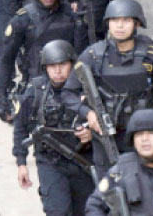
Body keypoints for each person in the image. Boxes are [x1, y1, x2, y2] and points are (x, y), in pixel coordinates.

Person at [62, 0, 153, 179]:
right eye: (115, 20)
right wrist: (88, 113)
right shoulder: (92, 56)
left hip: (144, 136)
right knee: (111, 195)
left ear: (137, 24)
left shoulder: (152, 56)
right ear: (107, 23)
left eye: (126, 20)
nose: (120, 26)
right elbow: (68, 93)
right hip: (105, 139)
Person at [0, 0, 87, 121]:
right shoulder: (22, 20)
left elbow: (82, 55)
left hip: (70, 85)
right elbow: (6, 59)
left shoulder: (72, 14)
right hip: (37, 86)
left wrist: (80, 24)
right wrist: (1, 96)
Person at [13, 40, 95, 216]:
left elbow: (110, 127)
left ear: (72, 65)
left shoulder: (89, 90)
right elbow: (20, 128)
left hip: (83, 161)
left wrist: (92, 135)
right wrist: (21, 162)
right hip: (50, 161)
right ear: (45, 68)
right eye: (52, 66)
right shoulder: (35, 92)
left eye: (63, 65)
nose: (57, 71)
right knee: (58, 211)